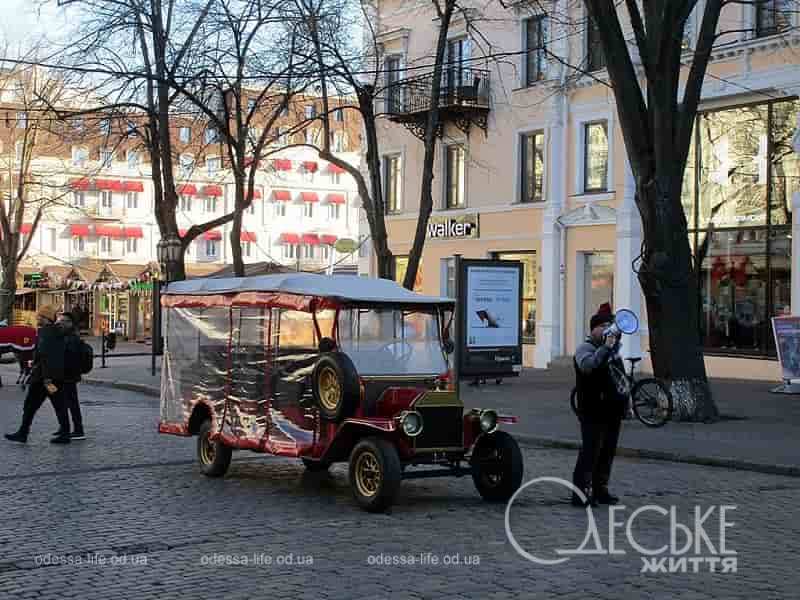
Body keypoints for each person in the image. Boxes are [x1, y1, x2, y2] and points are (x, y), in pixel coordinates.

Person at [571, 304, 625, 507]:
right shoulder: (584, 349)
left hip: (611, 409)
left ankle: (600, 489)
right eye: (603, 326)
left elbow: (619, 379)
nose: (607, 329)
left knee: (607, 452)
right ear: (593, 329)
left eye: (609, 325)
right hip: (592, 408)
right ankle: (580, 493)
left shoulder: (613, 351)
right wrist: (605, 348)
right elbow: (588, 367)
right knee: (590, 451)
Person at [5, 305, 70, 444]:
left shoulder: (46, 332)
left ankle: (24, 433)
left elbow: (46, 355)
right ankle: (63, 433)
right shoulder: (53, 331)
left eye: (39, 316)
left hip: (45, 378)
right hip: (50, 377)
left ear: (45, 318)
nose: (37, 319)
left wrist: (46, 377)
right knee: (57, 404)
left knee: (32, 405)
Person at [56, 311, 85, 440]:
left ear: (70, 323)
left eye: (63, 321)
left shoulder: (72, 337)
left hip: (68, 376)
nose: (60, 323)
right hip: (65, 375)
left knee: (72, 403)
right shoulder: (66, 335)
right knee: (64, 403)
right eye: (59, 321)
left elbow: (69, 358)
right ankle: (64, 427)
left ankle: (78, 430)